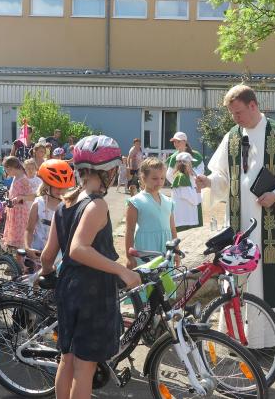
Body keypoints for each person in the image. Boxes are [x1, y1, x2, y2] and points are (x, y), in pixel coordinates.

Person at [195, 84, 275, 342]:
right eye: (233, 114)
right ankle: (237, 334)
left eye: (239, 113)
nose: (236, 119)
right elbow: (223, 176)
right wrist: (209, 182)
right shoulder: (233, 136)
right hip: (238, 224)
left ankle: (269, 338)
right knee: (238, 276)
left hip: (271, 226)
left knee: (268, 279)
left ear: (253, 105)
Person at [38, 135, 140, 399]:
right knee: (85, 369)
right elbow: (78, 249)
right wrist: (123, 271)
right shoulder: (96, 205)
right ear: (109, 171)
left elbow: (48, 256)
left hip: (68, 289)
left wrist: (48, 275)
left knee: (67, 360)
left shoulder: (67, 202)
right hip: (93, 292)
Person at [125, 157, 178, 268]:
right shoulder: (135, 202)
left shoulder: (169, 201)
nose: (159, 182)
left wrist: (176, 252)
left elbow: (173, 229)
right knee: (147, 282)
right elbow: (130, 230)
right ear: (144, 178)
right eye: (154, 178)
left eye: (162, 178)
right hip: (145, 250)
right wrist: (129, 257)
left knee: (165, 282)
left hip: (166, 250)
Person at [25, 159, 74, 270]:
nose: (60, 190)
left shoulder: (69, 205)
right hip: (38, 254)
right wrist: (27, 248)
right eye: (56, 185)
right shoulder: (39, 203)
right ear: (47, 184)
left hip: (60, 257)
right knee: (34, 285)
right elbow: (29, 229)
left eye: (63, 186)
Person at [165, 131, 204, 231]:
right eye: (174, 142)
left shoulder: (196, 155)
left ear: (184, 142)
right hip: (183, 190)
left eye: (178, 141)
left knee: (193, 219)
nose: (175, 144)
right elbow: (169, 175)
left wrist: (191, 178)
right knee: (182, 218)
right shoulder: (174, 157)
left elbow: (201, 172)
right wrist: (180, 182)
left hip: (194, 188)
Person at [2, 156, 33, 252]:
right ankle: (14, 259)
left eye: (6, 170)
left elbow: (32, 196)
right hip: (13, 211)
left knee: (19, 237)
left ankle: (20, 260)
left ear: (10, 168)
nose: (6, 172)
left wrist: (20, 198)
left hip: (20, 213)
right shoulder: (15, 177)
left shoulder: (23, 179)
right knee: (13, 235)